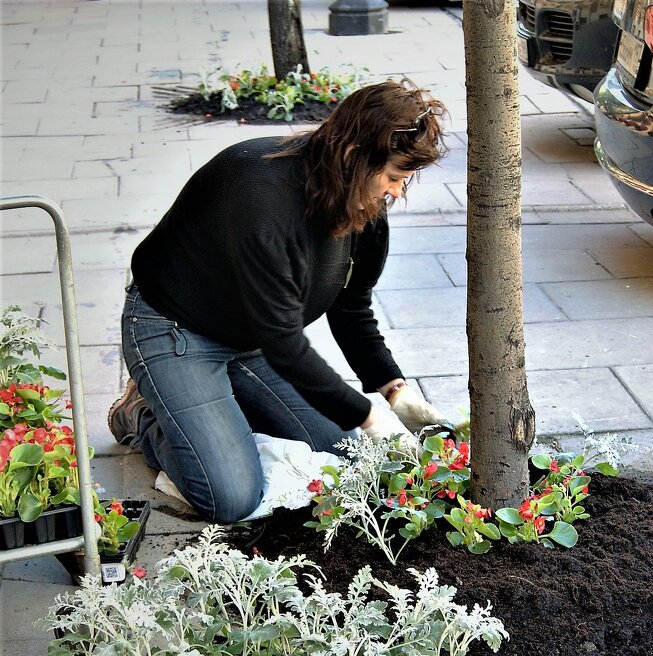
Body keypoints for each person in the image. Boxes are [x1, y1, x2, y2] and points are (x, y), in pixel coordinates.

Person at [107, 79, 449, 523]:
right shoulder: (261, 194)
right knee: (230, 496)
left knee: (344, 455)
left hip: (253, 341)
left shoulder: (365, 207)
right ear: (354, 158)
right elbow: (286, 344)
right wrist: (368, 416)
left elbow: (351, 308)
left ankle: (211, 413)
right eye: (393, 177)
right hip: (176, 331)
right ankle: (141, 414)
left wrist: (394, 390)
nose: (397, 192)